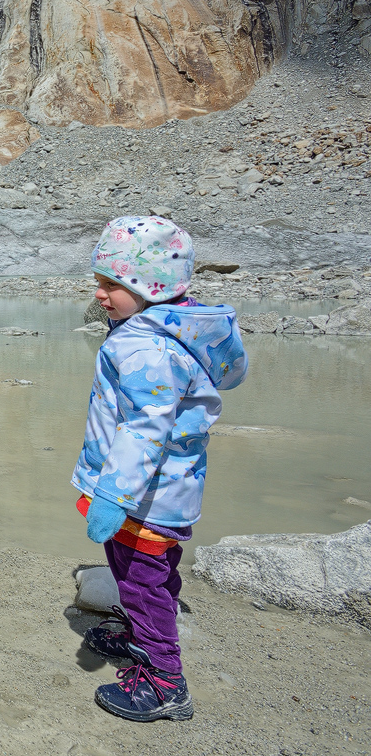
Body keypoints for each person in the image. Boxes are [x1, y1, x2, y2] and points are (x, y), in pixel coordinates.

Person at [73, 216, 247, 722]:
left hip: (144, 494)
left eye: (114, 285)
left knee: (141, 579)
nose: (101, 294)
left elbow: (145, 430)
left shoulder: (145, 347)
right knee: (150, 572)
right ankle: (136, 636)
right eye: (101, 283)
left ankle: (164, 683)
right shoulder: (167, 329)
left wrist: (112, 495)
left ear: (152, 289)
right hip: (166, 488)